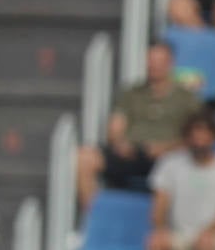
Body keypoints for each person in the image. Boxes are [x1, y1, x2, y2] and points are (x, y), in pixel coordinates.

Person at [77, 40, 199, 208]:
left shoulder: (187, 98)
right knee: (85, 157)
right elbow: (116, 126)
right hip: (133, 153)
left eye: (160, 61)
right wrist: (120, 144)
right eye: (151, 60)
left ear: (170, 63)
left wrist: (164, 148)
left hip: (169, 158)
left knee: (177, 170)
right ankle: (95, 219)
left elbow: (196, 136)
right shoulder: (132, 93)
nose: (154, 66)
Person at [145, 111, 215, 250]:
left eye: (204, 135)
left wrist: (209, 231)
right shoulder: (171, 164)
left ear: (213, 137)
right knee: (155, 244)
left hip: (212, 235)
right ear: (187, 138)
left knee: (207, 247)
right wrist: (160, 230)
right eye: (194, 136)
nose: (199, 141)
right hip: (178, 234)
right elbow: (160, 205)